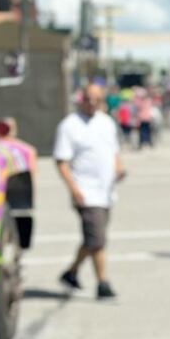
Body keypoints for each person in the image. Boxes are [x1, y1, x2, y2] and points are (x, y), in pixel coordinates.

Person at [54, 83, 125, 299]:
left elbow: (113, 151)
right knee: (98, 240)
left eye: (97, 99)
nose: (92, 103)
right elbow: (61, 161)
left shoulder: (106, 122)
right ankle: (103, 284)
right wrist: (73, 189)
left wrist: (118, 168)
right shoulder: (69, 125)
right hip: (85, 192)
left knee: (92, 239)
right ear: (81, 99)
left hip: (105, 192)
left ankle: (71, 272)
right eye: (88, 99)